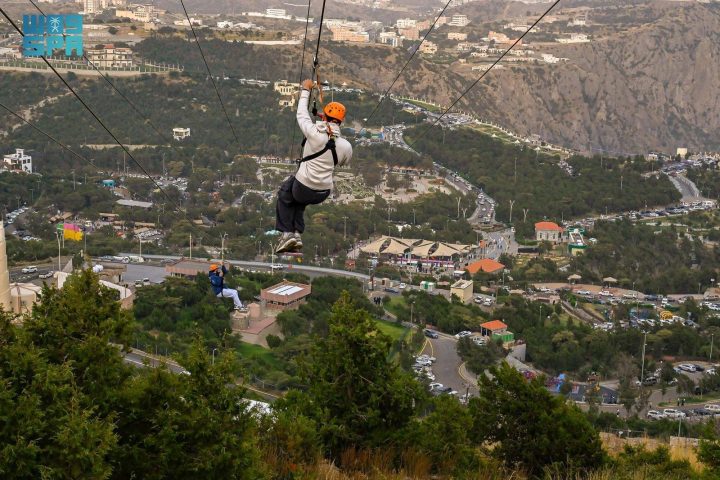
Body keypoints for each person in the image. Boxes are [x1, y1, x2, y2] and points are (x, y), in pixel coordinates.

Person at [274, 78, 353, 254]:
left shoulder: (313, 133)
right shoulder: (345, 146)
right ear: (340, 121)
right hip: (322, 193)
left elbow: (301, 114)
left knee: (285, 193)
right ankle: (297, 236)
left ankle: (288, 234)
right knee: (298, 203)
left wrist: (305, 90)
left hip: (303, 186)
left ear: (324, 117)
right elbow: (344, 162)